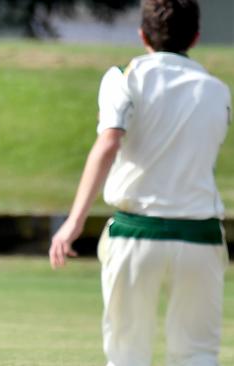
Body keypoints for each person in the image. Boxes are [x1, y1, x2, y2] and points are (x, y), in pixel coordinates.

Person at [49, 1, 231, 365]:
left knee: (126, 353)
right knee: (197, 353)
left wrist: (74, 222)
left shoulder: (124, 76)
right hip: (201, 236)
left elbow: (109, 141)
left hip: (136, 234)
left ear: (142, 35)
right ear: (195, 37)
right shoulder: (217, 90)